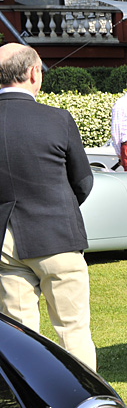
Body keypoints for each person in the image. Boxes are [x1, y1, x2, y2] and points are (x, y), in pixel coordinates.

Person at [0, 44, 96, 370]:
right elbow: (83, 182)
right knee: (73, 329)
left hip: (5, 240)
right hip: (57, 234)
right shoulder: (58, 119)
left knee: (21, 337)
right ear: (33, 74)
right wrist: (60, 207)